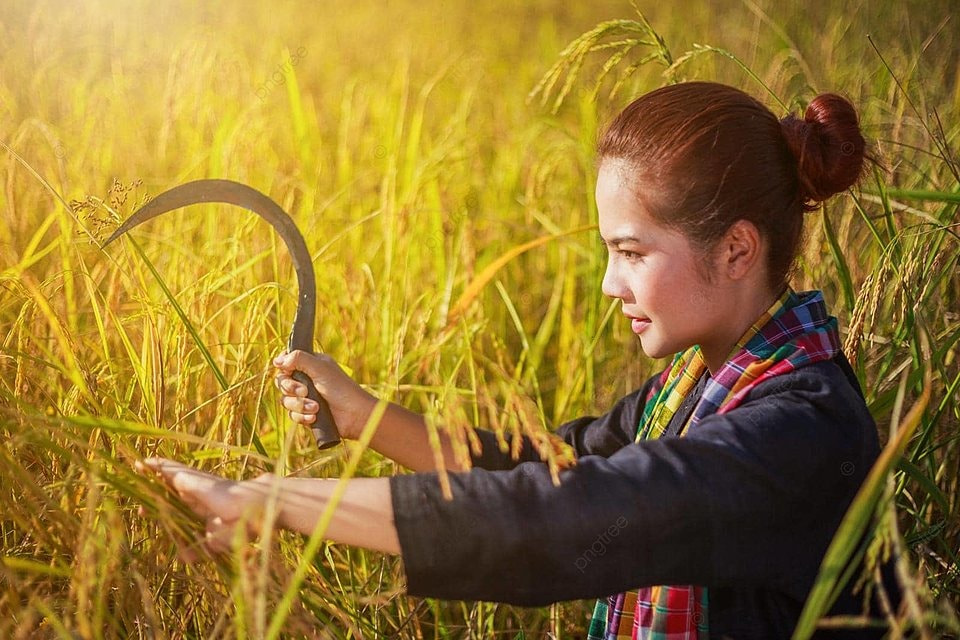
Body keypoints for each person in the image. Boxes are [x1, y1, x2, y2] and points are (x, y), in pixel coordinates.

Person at [138, 81, 903, 639]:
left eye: (632, 253)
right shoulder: (696, 386)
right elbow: (539, 466)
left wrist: (277, 502)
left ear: (737, 248)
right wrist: (362, 414)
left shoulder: (802, 433)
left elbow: (573, 514)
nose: (610, 285)